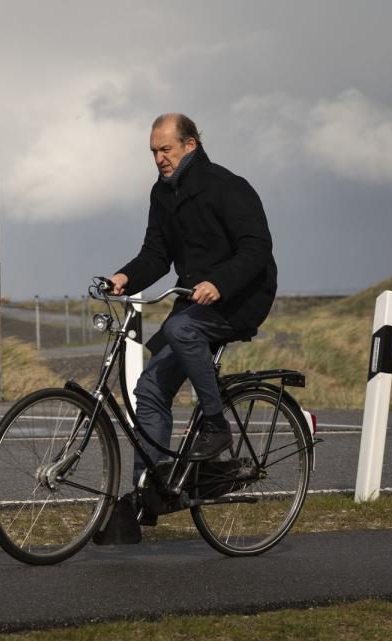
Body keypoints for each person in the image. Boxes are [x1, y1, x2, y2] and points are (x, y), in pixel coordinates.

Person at [108, 112, 278, 496]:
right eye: (153, 151)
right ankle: (148, 490)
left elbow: (256, 249)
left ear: (190, 145)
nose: (158, 159)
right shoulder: (161, 193)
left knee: (179, 327)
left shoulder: (227, 186)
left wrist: (219, 283)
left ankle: (217, 427)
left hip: (243, 296)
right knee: (149, 390)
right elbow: (155, 255)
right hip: (194, 300)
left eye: (165, 149)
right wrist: (123, 277)